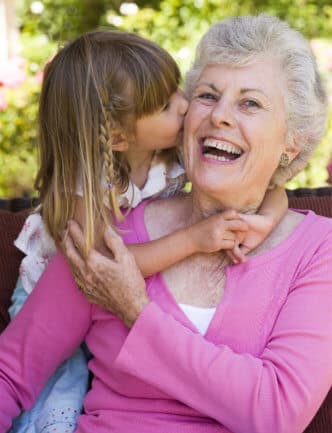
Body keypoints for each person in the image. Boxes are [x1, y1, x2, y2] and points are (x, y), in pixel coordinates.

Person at [6, 29, 286, 433]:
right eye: (167, 104)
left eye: (177, 90)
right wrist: (193, 239)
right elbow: (105, 265)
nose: (186, 105)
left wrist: (267, 220)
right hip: (55, 296)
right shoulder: (88, 185)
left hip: (98, 305)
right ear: (118, 137)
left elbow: (272, 188)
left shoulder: (167, 155)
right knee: (58, 405)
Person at [62, 14, 332, 433]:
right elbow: (13, 372)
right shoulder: (111, 231)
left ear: (291, 142)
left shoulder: (319, 248)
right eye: (207, 96)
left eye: (250, 103)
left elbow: (278, 412)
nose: (219, 116)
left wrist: (136, 311)